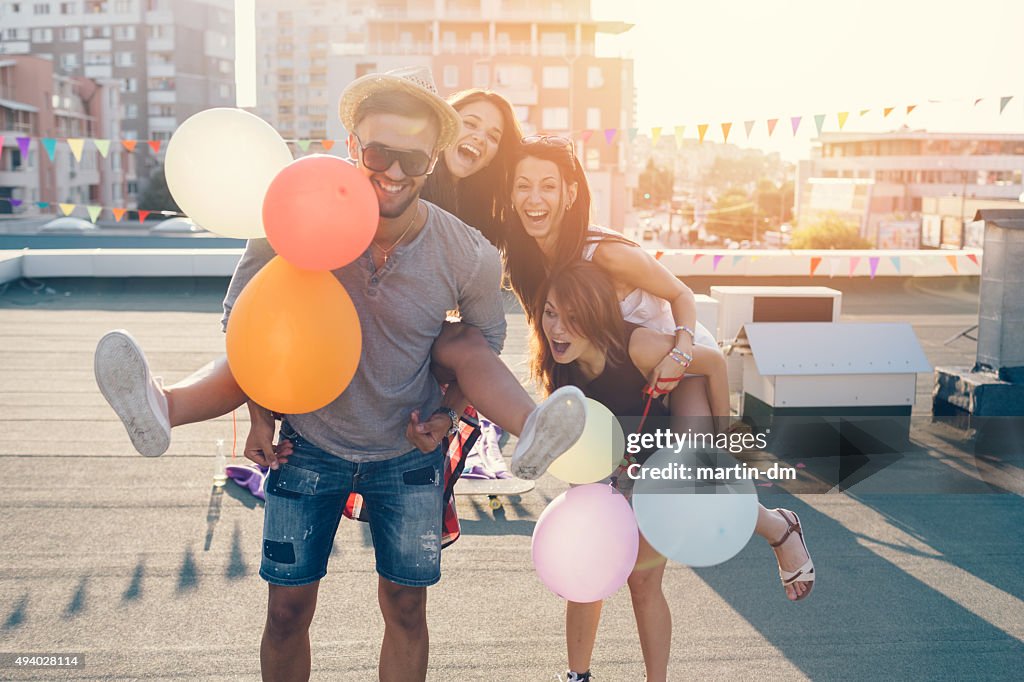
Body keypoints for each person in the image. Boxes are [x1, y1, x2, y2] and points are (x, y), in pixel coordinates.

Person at [93, 79, 577, 480]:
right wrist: (261, 416)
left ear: (432, 156)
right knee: (263, 332)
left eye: (494, 137)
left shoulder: (475, 224)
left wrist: (448, 410)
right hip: (318, 336)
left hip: (420, 346)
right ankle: (165, 407)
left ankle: (531, 426)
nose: (396, 170)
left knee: (467, 343)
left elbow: (495, 302)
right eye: (471, 123)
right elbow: (243, 307)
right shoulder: (326, 189)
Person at [531, 262, 815, 682]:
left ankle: (778, 527)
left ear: (595, 316)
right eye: (551, 313)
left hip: (685, 396)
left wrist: (723, 449)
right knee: (587, 563)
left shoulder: (639, 345)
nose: (557, 329)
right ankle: (577, 676)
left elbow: (714, 364)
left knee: (649, 572)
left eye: (573, 318)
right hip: (629, 440)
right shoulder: (557, 363)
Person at [502, 135, 732, 431]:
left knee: (691, 461)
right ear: (510, 193)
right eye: (523, 186)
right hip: (621, 369)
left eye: (548, 186)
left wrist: (681, 352)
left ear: (570, 194)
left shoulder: (606, 254)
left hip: (679, 354)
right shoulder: (529, 262)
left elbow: (681, 293)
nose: (534, 198)